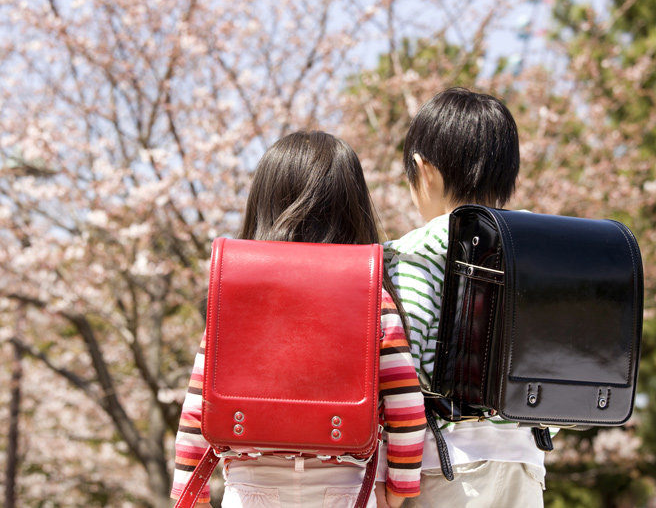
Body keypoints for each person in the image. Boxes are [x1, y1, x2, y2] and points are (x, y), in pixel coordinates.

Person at [171, 130, 426, 508]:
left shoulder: (237, 295)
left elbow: (199, 407)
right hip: (345, 487)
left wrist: (190, 494)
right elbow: (406, 405)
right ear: (353, 205)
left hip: (251, 488)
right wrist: (398, 489)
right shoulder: (371, 296)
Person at [385, 87, 547, 507]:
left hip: (444, 468)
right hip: (526, 467)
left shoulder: (413, 253)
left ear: (423, 170)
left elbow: (405, 373)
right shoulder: (543, 246)